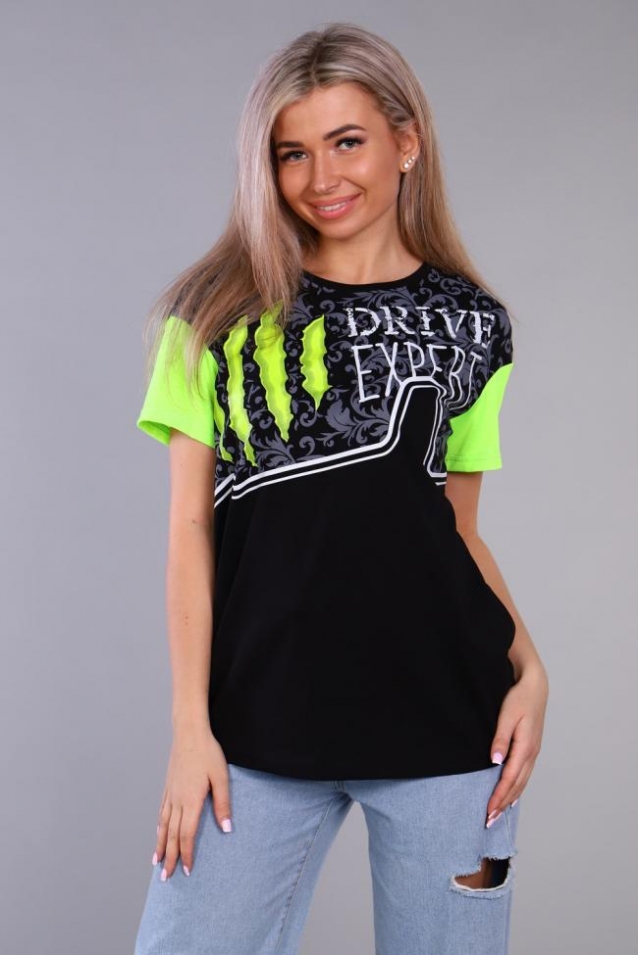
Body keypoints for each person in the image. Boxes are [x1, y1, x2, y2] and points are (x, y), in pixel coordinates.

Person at [133, 21, 549, 955]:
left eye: (347, 141)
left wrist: (532, 669)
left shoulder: (474, 325)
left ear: (407, 142)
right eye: (292, 152)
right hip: (257, 724)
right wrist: (191, 727)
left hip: (452, 723)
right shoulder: (213, 318)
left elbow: (456, 532)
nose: (320, 176)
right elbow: (189, 529)